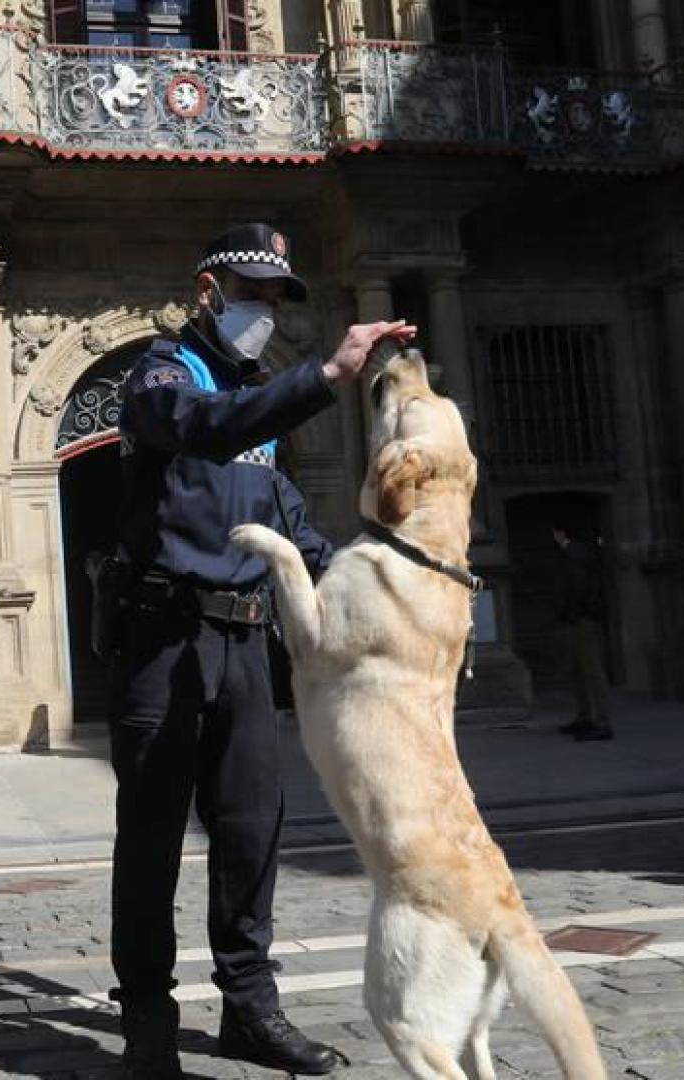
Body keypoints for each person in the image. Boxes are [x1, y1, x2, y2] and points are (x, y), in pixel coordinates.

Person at [107, 222, 414, 1078]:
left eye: (277, 298)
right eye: (253, 294)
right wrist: (325, 376)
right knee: (153, 838)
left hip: (246, 641)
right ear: (208, 293)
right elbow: (203, 427)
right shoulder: (165, 373)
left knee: (251, 834)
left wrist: (368, 586)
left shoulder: (257, 397)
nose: (266, 311)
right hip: (163, 641)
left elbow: (286, 518)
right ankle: (147, 1024)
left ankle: (250, 1009)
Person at [553, 522, 614, 741]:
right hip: (579, 617)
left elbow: (578, 586)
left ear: (560, 532)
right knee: (576, 669)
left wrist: (572, 612)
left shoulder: (574, 553)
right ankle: (586, 716)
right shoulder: (576, 552)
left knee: (591, 670)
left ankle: (601, 721)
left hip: (582, 619)